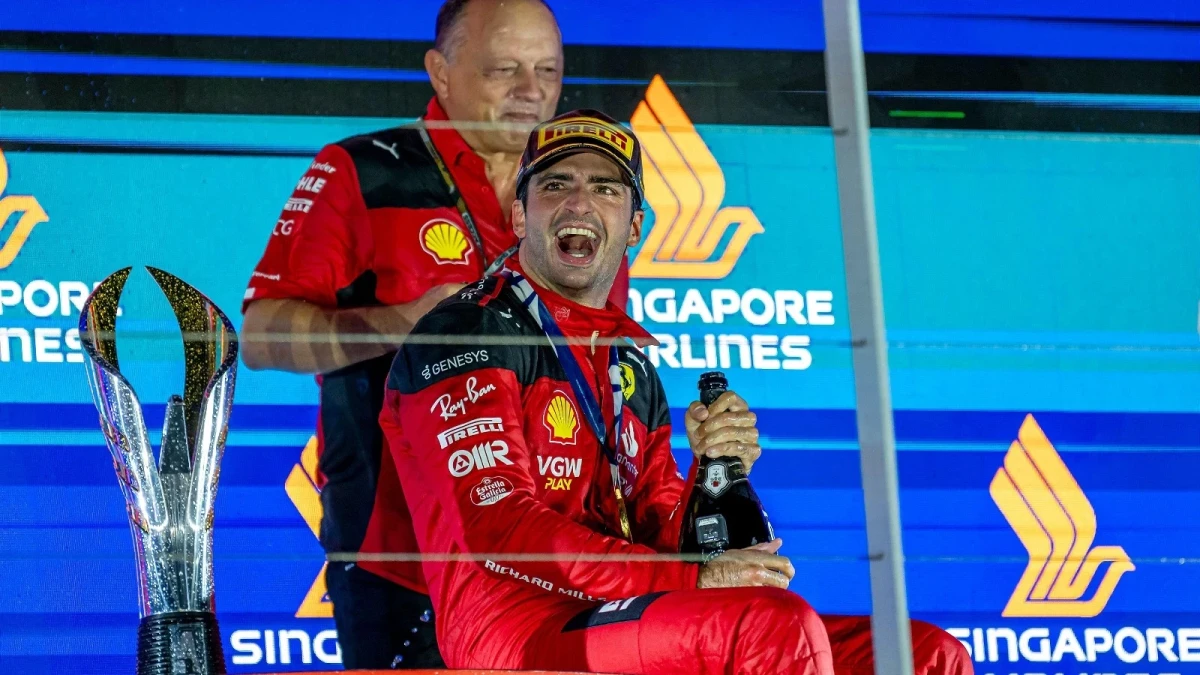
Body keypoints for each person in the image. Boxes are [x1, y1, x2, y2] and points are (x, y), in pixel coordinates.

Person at [378, 109, 972, 674]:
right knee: (770, 626)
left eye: (607, 188)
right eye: (556, 185)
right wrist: (697, 582)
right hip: (514, 629)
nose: (580, 201)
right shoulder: (468, 330)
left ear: (634, 226)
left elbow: (669, 536)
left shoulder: (628, 365)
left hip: (626, 615)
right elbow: (501, 529)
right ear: (520, 216)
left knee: (923, 653)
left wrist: (717, 472)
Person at [240, 0, 628, 668]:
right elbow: (262, 335)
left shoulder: (578, 190)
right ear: (440, 73)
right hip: (405, 561)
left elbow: (605, 365)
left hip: (562, 553)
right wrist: (403, 326)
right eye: (505, 69)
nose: (532, 92)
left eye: (548, 70)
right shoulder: (362, 171)